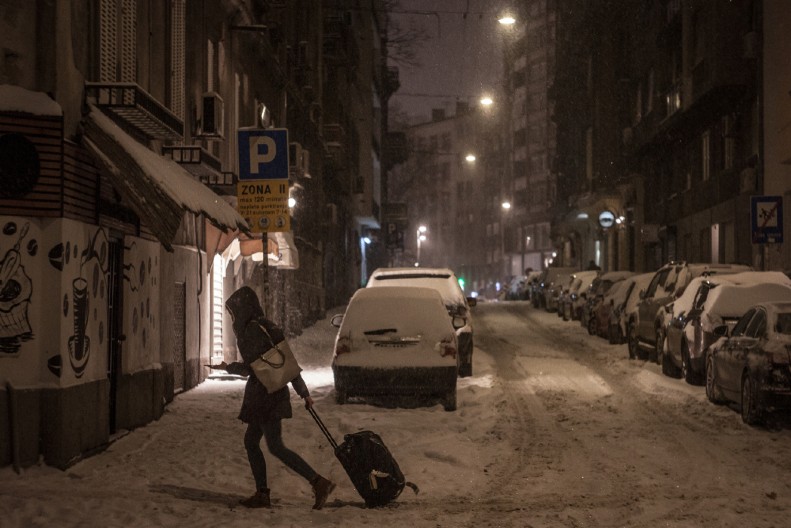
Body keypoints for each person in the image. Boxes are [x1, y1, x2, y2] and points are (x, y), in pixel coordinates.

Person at [208, 286, 335, 510]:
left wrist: (228, 367)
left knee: (275, 446)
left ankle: (318, 482)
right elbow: (285, 361)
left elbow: (254, 368)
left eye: (233, 312)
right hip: (272, 393)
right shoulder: (267, 326)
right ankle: (263, 493)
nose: (232, 317)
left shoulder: (251, 331)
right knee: (252, 442)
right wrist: (303, 392)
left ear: (243, 309)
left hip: (265, 397)